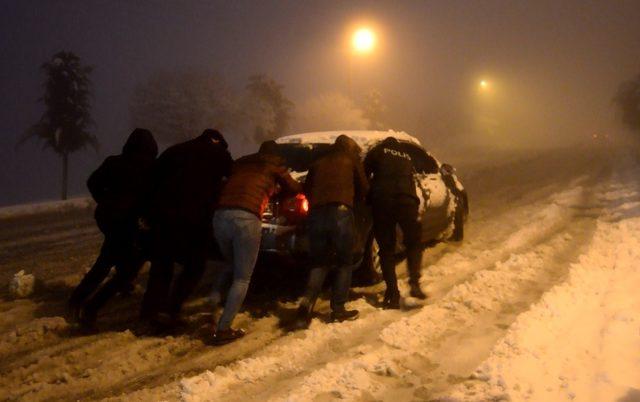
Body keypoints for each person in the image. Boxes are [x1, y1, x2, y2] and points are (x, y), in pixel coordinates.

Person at [209, 140, 302, 344]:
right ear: (276, 154)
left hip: (220, 216)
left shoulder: (241, 164)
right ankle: (223, 328)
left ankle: (212, 302)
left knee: (229, 262)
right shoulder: (276, 166)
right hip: (246, 218)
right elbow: (294, 188)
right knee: (242, 277)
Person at [141, 129, 232, 326]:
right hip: (195, 219)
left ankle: (149, 312)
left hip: (163, 216)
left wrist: (148, 214)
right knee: (195, 265)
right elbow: (233, 181)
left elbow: (150, 181)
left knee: (161, 266)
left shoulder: (174, 151)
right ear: (218, 142)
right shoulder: (219, 154)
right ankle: (172, 310)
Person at [69, 128, 158, 329]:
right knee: (125, 262)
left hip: (106, 216)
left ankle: (78, 299)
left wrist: (104, 199)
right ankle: (89, 307)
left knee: (109, 257)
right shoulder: (150, 167)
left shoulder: (113, 161)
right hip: (128, 220)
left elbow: (92, 182)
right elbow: (152, 197)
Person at [291, 135, 369, 330]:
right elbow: (363, 187)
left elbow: (306, 189)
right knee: (344, 262)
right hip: (341, 213)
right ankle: (338, 309)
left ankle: (306, 305)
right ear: (350, 148)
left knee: (319, 262)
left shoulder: (318, 161)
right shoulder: (352, 160)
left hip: (316, 214)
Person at [364, 136, 427, 309]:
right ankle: (414, 282)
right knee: (414, 243)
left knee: (386, 249)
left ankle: (392, 293)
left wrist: (368, 196)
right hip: (407, 201)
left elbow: (363, 174)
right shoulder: (406, 156)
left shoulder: (376, 152)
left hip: (383, 202)